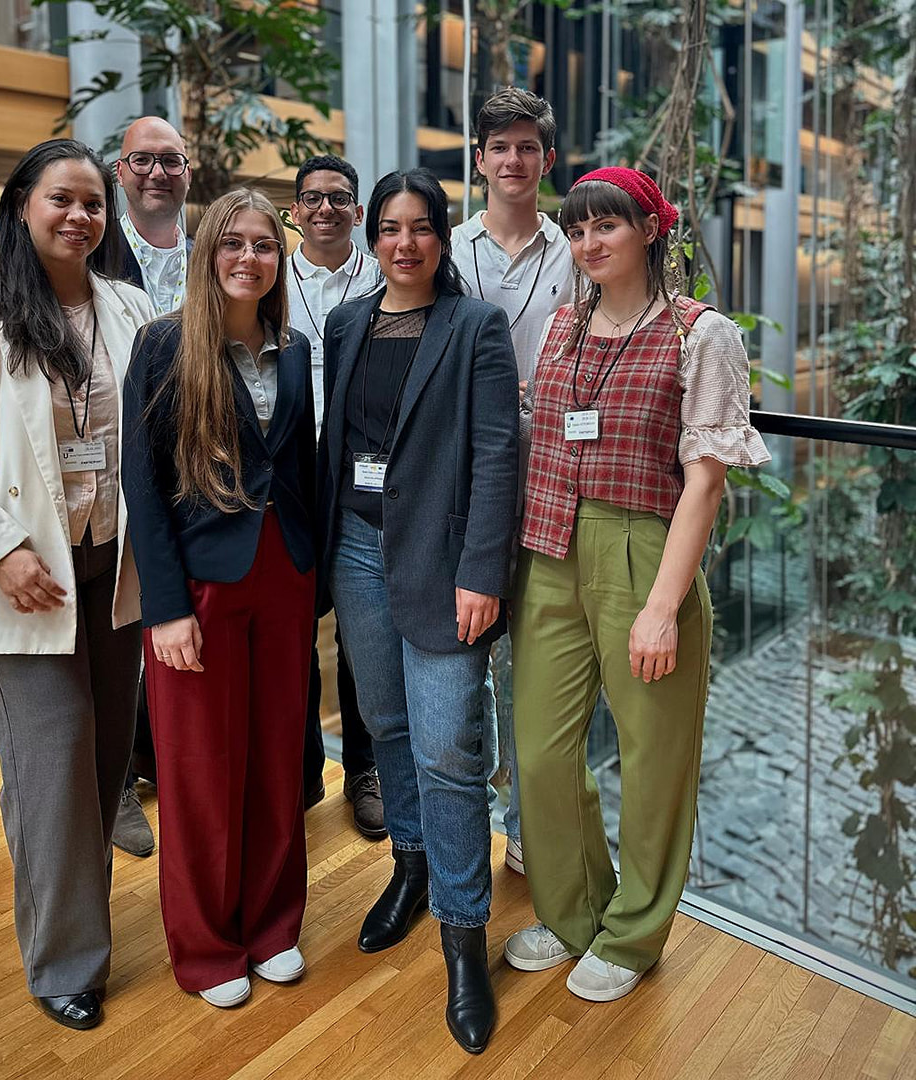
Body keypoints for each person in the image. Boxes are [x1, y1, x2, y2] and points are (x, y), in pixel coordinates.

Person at [0, 138, 157, 1030]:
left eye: (93, 203)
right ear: (21, 206)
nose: (80, 216)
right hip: (25, 575)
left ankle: (74, 908)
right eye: (62, 199)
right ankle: (65, 962)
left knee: (106, 757)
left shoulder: (128, 306)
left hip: (112, 567)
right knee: (52, 762)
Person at [503, 167, 771, 1002]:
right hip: (548, 546)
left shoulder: (702, 333)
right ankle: (573, 912)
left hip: (643, 551)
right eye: (576, 229)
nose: (588, 243)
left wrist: (662, 605)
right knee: (540, 752)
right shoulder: (562, 326)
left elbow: (706, 482)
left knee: (654, 758)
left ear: (651, 230)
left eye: (606, 226)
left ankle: (633, 932)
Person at [318, 168, 518, 1053]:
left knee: (448, 749)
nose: (405, 243)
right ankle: (409, 866)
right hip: (356, 551)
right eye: (390, 228)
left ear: (443, 236)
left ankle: (463, 935)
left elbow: (497, 452)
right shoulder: (345, 323)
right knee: (386, 723)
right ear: (372, 239)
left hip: (443, 563)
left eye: (421, 227)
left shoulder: (474, 326)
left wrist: (483, 571)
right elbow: (338, 443)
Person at [122, 189, 316, 1009]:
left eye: (264, 245)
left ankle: (272, 924)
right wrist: (165, 607)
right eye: (232, 243)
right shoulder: (163, 345)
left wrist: (313, 575)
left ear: (280, 259)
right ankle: (207, 948)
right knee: (201, 772)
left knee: (277, 758)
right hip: (198, 586)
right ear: (207, 254)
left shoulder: (294, 350)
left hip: (284, 578)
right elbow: (143, 483)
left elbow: (297, 469)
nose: (249, 258)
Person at [451, 86, 574, 876]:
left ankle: (532, 829)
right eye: (500, 146)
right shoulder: (448, 249)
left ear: (547, 159)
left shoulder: (576, 249)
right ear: (480, 159)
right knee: (469, 658)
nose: (513, 159)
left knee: (541, 667)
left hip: (554, 478)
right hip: (465, 480)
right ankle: (475, 816)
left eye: (527, 146)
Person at [287, 154, 384, 838]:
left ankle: (365, 769)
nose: (326, 208)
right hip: (288, 474)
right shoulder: (268, 277)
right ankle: (299, 765)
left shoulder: (383, 278)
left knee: (360, 626)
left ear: (357, 211)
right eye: (313, 198)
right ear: (295, 210)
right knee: (292, 624)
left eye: (339, 198)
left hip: (361, 475)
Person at [108, 115, 194, 858]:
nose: (157, 173)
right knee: (113, 635)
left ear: (188, 171)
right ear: (120, 170)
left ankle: (160, 762)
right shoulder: (92, 249)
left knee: (173, 620)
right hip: (107, 466)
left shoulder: (213, 253)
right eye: (142, 160)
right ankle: (113, 786)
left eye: (170, 160)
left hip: (195, 472)